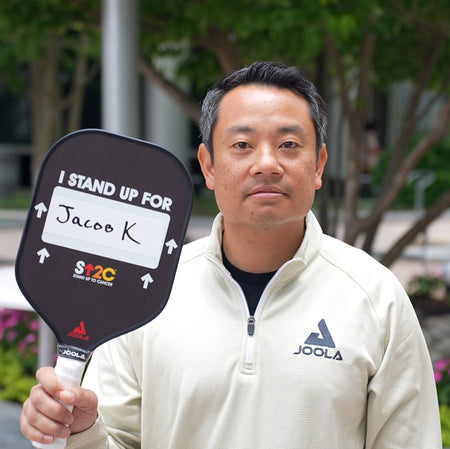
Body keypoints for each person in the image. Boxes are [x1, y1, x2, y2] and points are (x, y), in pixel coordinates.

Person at [20, 61, 441, 448]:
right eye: (242, 145)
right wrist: (80, 433)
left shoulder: (375, 296)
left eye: (289, 144)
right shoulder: (147, 294)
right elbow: (117, 441)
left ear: (318, 165)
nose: (266, 164)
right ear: (208, 165)